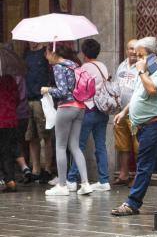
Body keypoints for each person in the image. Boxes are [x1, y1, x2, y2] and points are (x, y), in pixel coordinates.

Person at [110, 37, 157, 216]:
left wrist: (141, 73)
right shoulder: (144, 70)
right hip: (143, 124)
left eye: (141, 55)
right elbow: (138, 95)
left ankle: (132, 203)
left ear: (152, 55)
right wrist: (124, 112)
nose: (137, 59)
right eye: (136, 55)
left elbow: (152, 90)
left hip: (156, 122)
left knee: (144, 163)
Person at [41, 44, 93, 197]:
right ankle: (85, 184)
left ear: (53, 53)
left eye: (47, 53)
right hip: (80, 107)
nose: (46, 56)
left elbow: (62, 91)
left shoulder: (58, 67)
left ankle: (62, 185)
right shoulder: (74, 65)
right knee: (75, 146)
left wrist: (47, 89)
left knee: (60, 146)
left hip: (66, 107)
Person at [65, 39, 111, 192]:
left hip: (88, 110)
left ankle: (71, 179)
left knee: (79, 146)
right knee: (101, 146)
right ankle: (104, 180)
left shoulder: (84, 68)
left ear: (84, 53)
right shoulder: (102, 66)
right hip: (102, 110)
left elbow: (79, 90)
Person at [24, 42, 54, 184]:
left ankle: (47, 169)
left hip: (41, 99)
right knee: (31, 136)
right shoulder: (27, 53)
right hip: (28, 98)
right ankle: (35, 169)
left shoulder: (45, 52)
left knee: (45, 135)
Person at [112, 39, 138, 185]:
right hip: (120, 111)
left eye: (135, 49)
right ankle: (123, 174)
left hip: (135, 112)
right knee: (122, 145)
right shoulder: (122, 65)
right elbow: (117, 85)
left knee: (137, 146)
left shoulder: (142, 66)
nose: (133, 52)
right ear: (126, 50)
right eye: (130, 49)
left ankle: (138, 177)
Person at [0, 74, 19, 192]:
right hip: (10, 120)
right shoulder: (10, 79)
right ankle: (10, 180)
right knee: (7, 150)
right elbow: (17, 98)